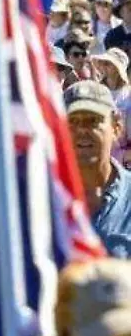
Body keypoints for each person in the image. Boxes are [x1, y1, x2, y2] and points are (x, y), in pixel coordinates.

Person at [66, 80, 131, 257]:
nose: (82, 130)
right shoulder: (42, 198)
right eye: (73, 121)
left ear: (116, 127)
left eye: (93, 121)